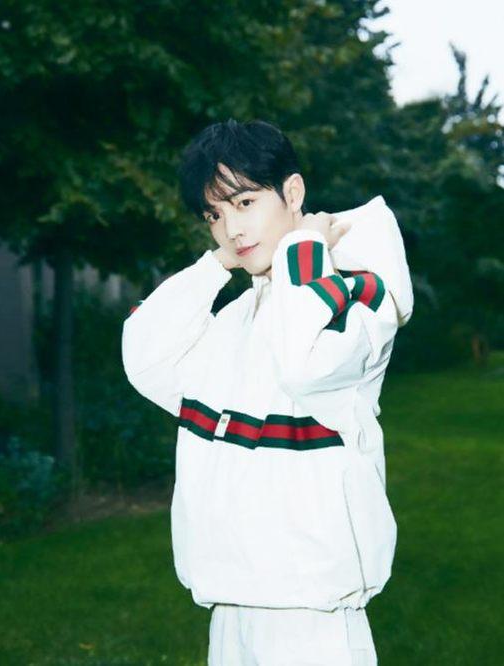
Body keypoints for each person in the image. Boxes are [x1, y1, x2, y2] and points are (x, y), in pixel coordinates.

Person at [121, 118, 414, 665]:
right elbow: (145, 360)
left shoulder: (357, 292)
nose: (231, 228)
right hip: (231, 601)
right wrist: (216, 266)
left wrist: (305, 246)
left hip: (311, 614)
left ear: (293, 193)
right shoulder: (243, 312)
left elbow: (307, 364)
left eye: (245, 202)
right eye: (214, 214)